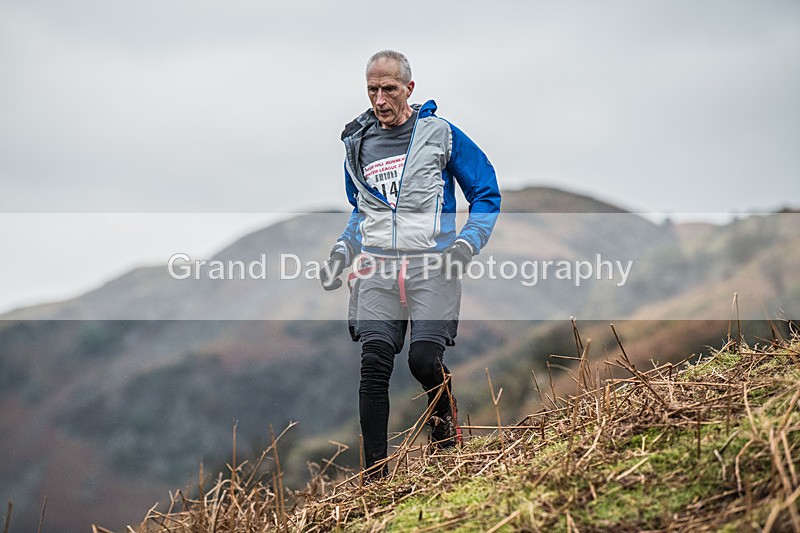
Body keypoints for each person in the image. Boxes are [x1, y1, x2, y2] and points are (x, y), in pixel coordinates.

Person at [320, 50, 501, 478]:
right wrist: (342, 251)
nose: (379, 99)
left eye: (389, 89)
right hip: (378, 271)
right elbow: (362, 211)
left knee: (423, 361)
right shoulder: (356, 144)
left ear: (409, 89)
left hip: (433, 268)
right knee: (374, 363)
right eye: (371, 89)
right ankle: (376, 479)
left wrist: (466, 244)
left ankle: (445, 439)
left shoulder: (441, 134)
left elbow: (486, 191)